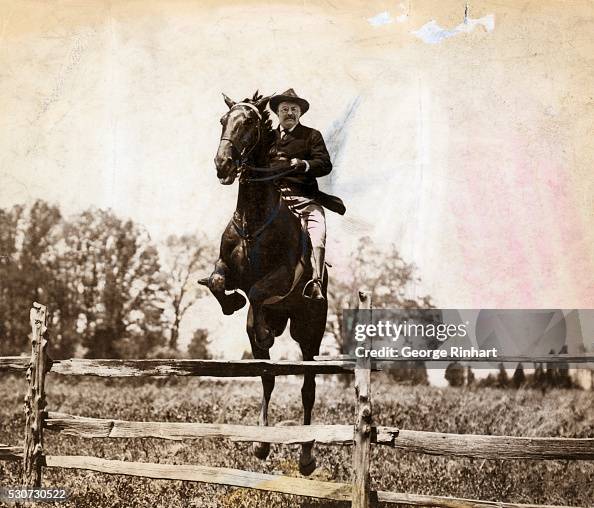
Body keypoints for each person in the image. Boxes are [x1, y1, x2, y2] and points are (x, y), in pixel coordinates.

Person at [268, 89, 335, 301]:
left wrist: (304, 164)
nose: (289, 113)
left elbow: (324, 164)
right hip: (272, 199)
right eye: (285, 109)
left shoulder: (311, 135)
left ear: (300, 113)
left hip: (304, 200)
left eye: (294, 109)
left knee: (318, 229)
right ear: (277, 113)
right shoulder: (267, 138)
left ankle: (316, 281)